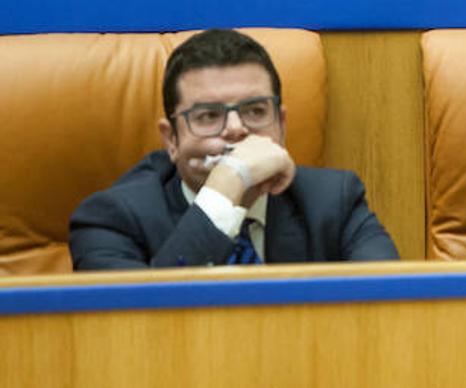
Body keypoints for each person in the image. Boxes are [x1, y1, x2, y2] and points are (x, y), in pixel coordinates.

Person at [69, 29, 399, 268]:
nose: (236, 129)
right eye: (209, 116)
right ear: (171, 139)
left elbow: (385, 312)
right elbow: (139, 331)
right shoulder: (112, 221)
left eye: (255, 111)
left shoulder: (334, 201)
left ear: (281, 126)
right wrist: (230, 181)